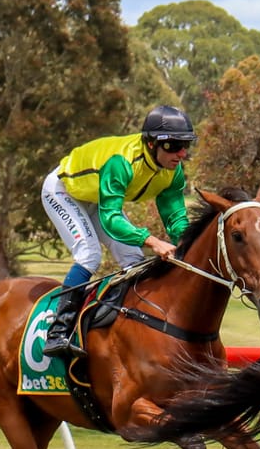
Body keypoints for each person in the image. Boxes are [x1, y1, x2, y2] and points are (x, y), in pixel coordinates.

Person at [38, 104, 195, 362]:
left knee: (133, 260)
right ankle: (59, 331)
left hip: (98, 198)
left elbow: (175, 219)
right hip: (64, 191)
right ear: (152, 143)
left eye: (185, 145)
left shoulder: (172, 172)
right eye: (173, 145)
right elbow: (111, 219)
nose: (181, 153)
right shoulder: (122, 161)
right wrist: (152, 241)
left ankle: (120, 326)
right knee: (89, 255)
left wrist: (189, 243)